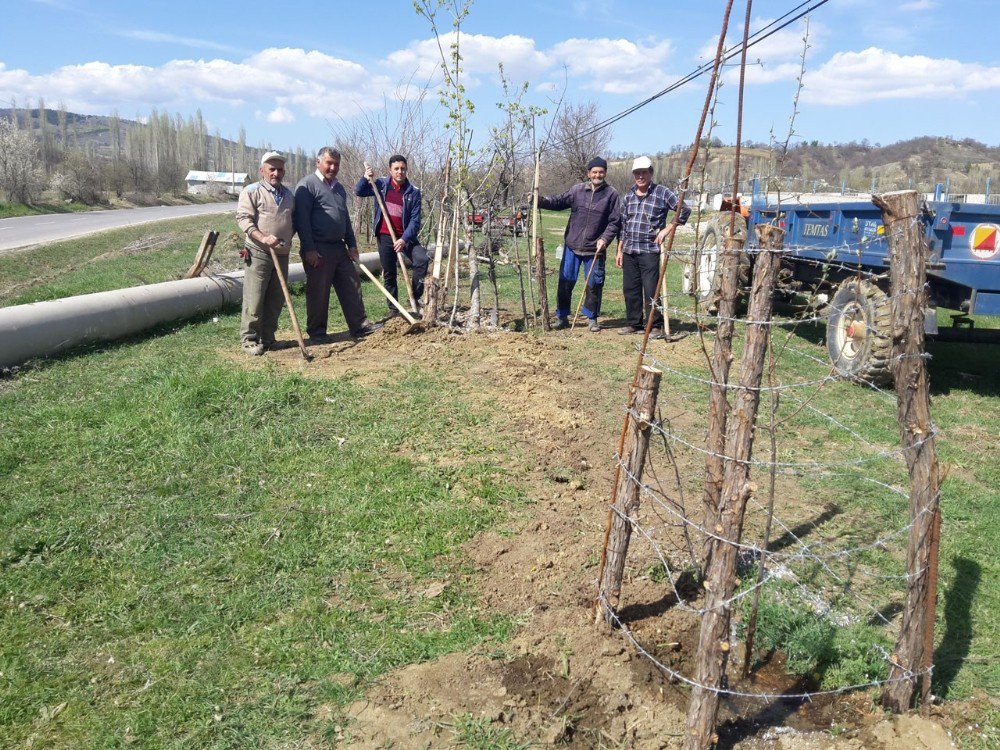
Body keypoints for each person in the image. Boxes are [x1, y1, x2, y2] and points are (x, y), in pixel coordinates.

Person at [294, 147, 381, 342]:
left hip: (339, 248)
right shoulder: (307, 186)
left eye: (336, 164)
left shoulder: (339, 188)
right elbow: (302, 221)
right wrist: (309, 249)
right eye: (329, 163)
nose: (333, 167)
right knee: (319, 291)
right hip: (318, 248)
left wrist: (351, 244)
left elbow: (345, 220)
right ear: (318, 162)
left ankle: (359, 325)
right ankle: (317, 333)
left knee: (352, 285)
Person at [538, 157, 621, 332]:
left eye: (601, 171)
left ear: (605, 173)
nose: (597, 174)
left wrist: (605, 239)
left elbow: (615, 222)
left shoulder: (611, 194)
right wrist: (539, 200)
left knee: (594, 284)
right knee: (565, 282)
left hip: (595, 249)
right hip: (572, 246)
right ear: (588, 173)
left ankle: (592, 318)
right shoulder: (577, 190)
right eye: (594, 172)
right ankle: (562, 316)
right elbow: (558, 202)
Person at [617, 155, 691, 339]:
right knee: (630, 289)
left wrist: (668, 228)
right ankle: (634, 323)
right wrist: (619, 249)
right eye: (637, 173)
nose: (640, 176)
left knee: (651, 289)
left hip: (650, 249)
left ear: (651, 173)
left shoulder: (662, 193)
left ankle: (655, 325)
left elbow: (684, 209)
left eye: (644, 172)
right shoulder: (628, 196)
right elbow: (623, 224)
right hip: (629, 249)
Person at [236, 151, 296, 356]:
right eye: (272, 169)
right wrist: (263, 238)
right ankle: (249, 339)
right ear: (262, 170)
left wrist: (287, 237)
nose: (276, 173)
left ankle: (268, 338)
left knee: (276, 299)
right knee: (255, 297)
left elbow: (292, 221)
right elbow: (244, 219)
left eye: (280, 169)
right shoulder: (251, 191)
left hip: (281, 253)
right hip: (258, 252)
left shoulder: (288, 194)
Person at [354, 155, 428, 315]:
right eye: (396, 169)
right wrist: (365, 178)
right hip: (385, 236)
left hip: (405, 237)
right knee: (389, 272)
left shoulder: (413, 192)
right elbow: (359, 191)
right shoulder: (380, 184)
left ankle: (415, 297)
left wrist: (404, 239)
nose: (400, 172)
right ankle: (393, 309)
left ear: (406, 170)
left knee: (422, 259)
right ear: (390, 170)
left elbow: (415, 220)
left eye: (403, 168)